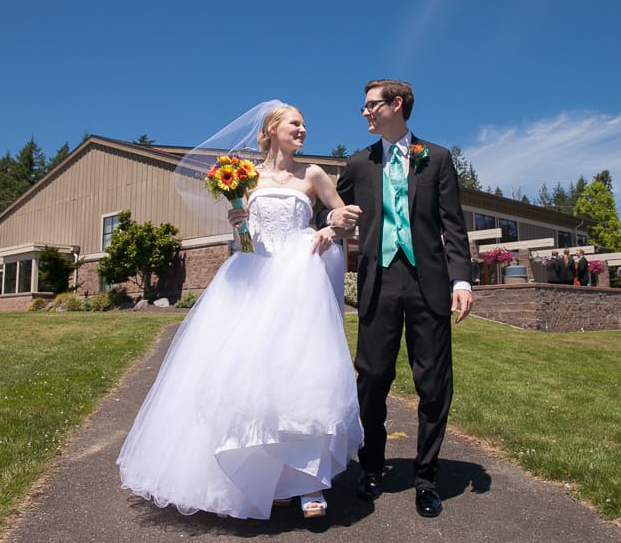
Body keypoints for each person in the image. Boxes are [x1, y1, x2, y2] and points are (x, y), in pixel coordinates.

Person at [117, 104, 363, 520]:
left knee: (302, 374)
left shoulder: (314, 174)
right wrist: (238, 222)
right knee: (253, 378)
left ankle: (310, 483)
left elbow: (345, 218)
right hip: (254, 277)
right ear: (271, 129)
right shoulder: (247, 176)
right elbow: (245, 238)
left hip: (300, 278)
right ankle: (273, 477)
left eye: (304, 124)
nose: (303, 129)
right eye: (295, 123)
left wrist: (331, 226)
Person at [325, 79, 473, 518]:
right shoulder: (358, 163)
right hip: (378, 283)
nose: (364, 113)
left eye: (371, 105)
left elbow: (453, 226)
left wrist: (461, 281)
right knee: (371, 380)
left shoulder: (438, 159)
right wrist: (333, 216)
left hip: (428, 283)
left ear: (396, 105)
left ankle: (427, 477)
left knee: (433, 384)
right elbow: (328, 211)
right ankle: (370, 466)